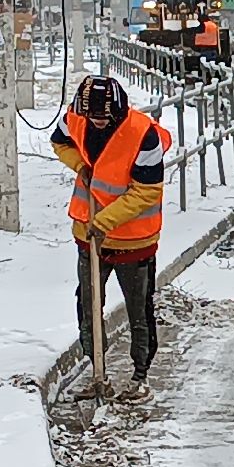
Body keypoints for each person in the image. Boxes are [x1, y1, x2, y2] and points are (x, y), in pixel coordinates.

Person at [51, 75, 172, 393]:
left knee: (138, 309)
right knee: (88, 305)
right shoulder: (76, 118)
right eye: (93, 117)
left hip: (133, 240)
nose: (98, 122)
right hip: (88, 235)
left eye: (104, 118)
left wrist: (104, 222)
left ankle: (140, 375)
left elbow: (146, 191)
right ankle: (97, 371)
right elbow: (59, 141)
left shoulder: (143, 135)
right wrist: (80, 165)